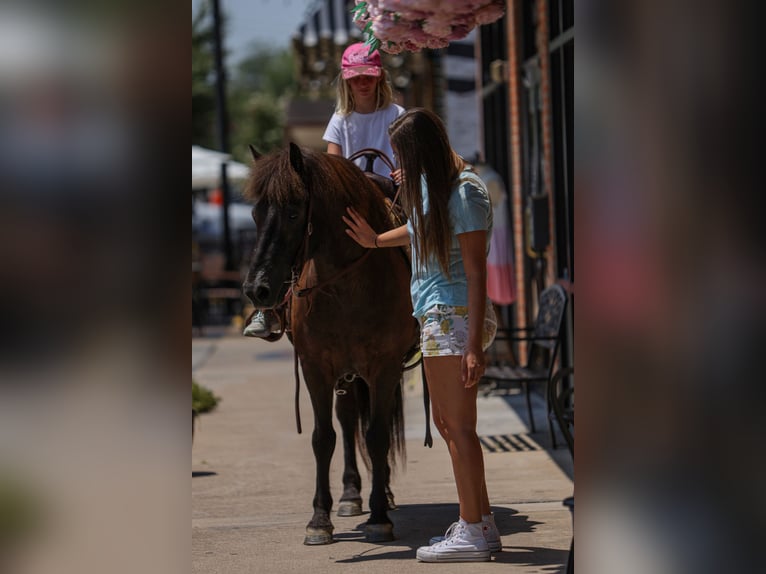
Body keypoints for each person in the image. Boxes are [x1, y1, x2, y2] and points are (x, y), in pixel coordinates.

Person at [342, 108, 500, 562]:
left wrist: (473, 347)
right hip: (436, 314)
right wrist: (374, 241)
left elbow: (475, 272)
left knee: (460, 428)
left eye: (404, 157)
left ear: (422, 151)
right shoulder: (435, 185)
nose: (400, 166)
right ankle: (481, 523)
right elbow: (419, 229)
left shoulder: (466, 192)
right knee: (448, 424)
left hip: (454, 315)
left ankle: (472, 532)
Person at [244, 42, 403, 338]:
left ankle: (425, 306)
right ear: (346, 81)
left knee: (416, 239)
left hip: (389, 198)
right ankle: (272, 311)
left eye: (368, 76)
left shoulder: (397, 114)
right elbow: (334, 166)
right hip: (352, 202)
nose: (363, 82)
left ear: (380, 77)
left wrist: (405, 170)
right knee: (301, 242)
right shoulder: (341, 119)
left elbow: (408, 156)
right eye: (356, 77)